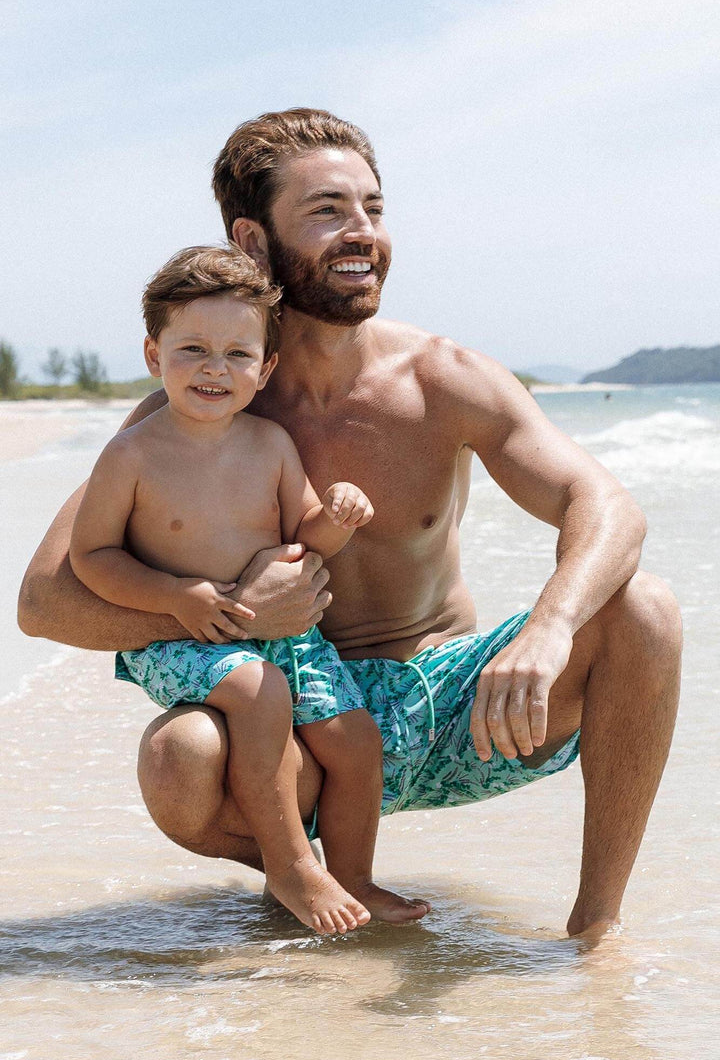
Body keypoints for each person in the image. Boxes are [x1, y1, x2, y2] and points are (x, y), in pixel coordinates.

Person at [19, 108, 682, 940]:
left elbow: (608, 505)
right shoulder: (194, 416)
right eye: (328, 211)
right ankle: (298, 866)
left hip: (442, 704)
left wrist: (548, 628)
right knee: (178, 757)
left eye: (373, 207)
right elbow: (46, 599)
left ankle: (596, 929)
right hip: (286, 720)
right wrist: (227, 608)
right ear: (253, 243)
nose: (362, 232)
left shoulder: (445, 378)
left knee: (644, 611)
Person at [68, 244, 430, 934]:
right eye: (194, 349)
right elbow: (91, 557)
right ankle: (290, 867)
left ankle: (353, 877)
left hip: (287, 636)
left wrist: (339, 515)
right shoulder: (132, 454)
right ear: (154, 355)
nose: (215, 368)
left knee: (354, 739)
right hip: (184, 637)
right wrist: (175, 596)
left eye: (238, 355)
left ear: (264, 370)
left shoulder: (269, 445)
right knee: (258, 694)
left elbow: (307, 535)